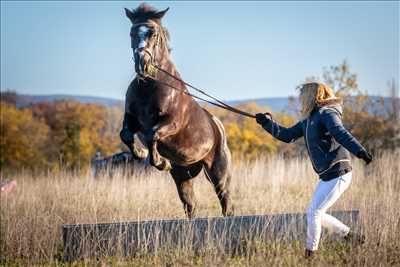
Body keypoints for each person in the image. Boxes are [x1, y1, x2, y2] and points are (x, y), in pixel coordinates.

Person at [255, 82, 372, 258]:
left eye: (303, 95)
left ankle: (310, 254)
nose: (301, 99)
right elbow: (287, 135)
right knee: (317, 213)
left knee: (314, 213)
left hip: (339, 172)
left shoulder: (328, 113)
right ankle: (352, 237)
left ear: (312, 95)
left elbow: (339, 132)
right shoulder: (309, 119)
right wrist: (266, 123)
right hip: (327, 175)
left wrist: (360, 151)